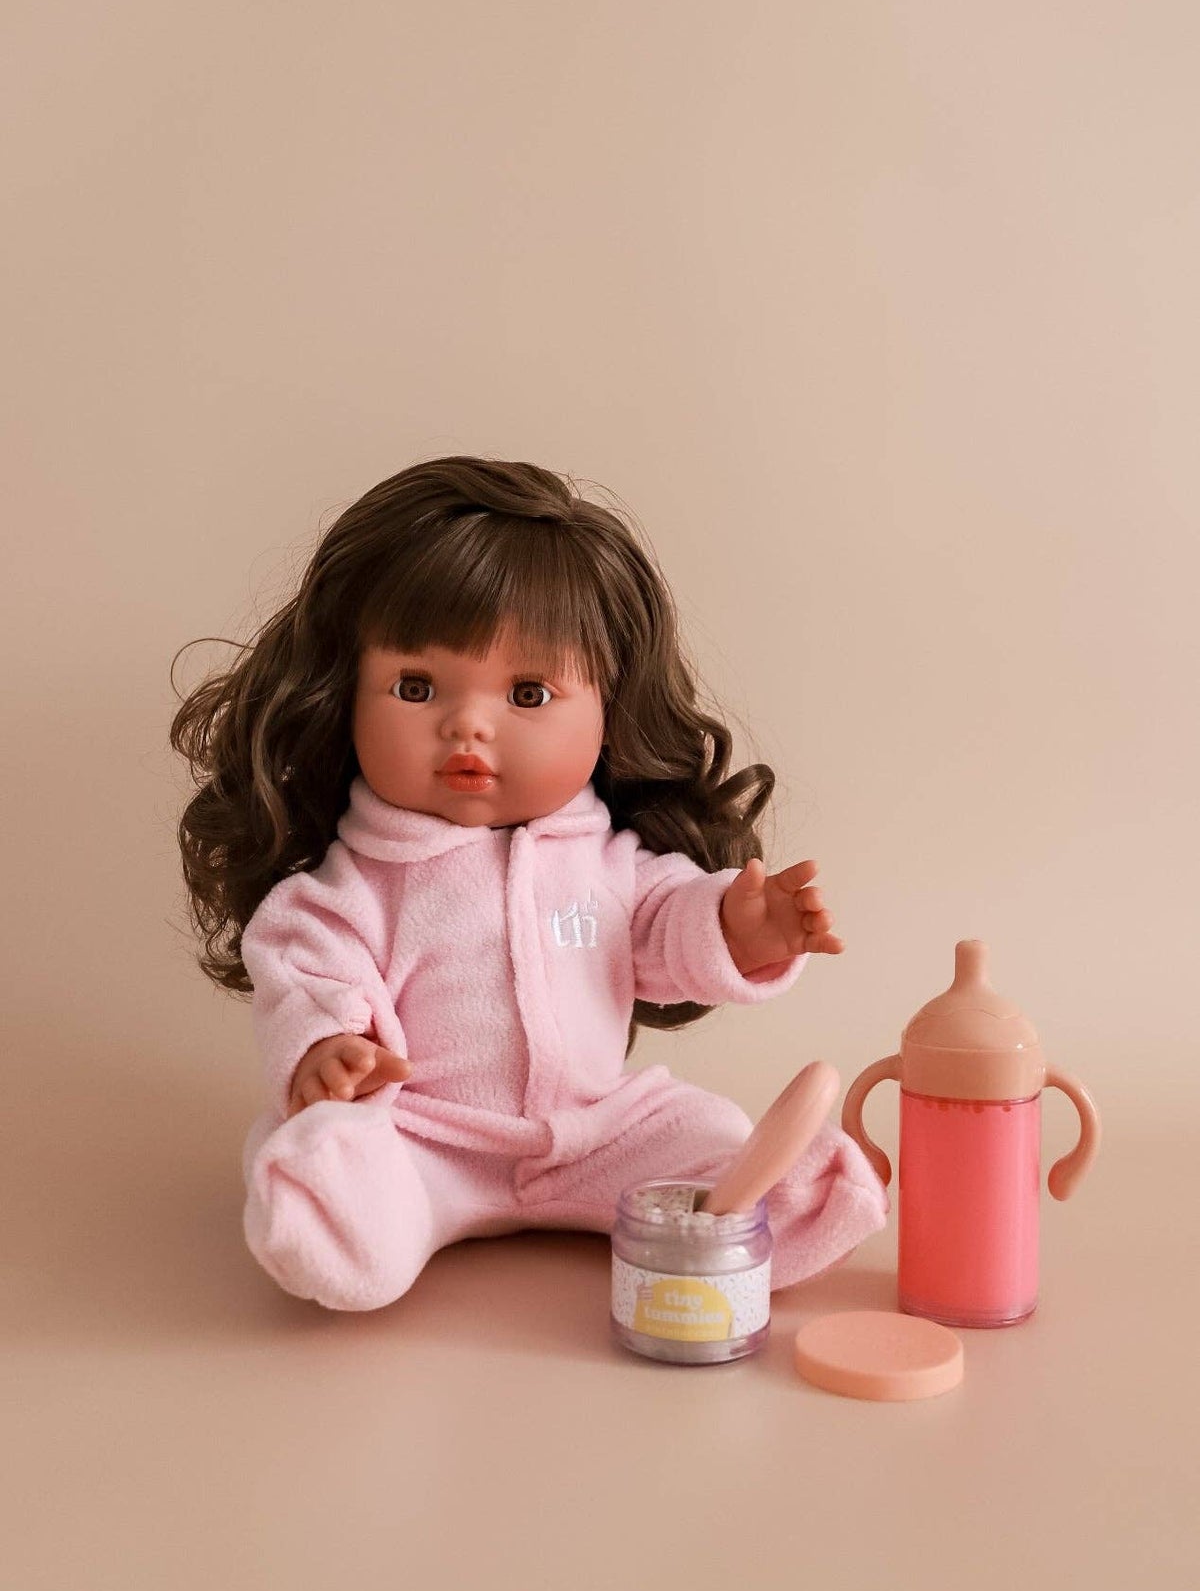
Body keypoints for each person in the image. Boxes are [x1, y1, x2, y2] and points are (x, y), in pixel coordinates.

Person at [170, 456, 887, 1311]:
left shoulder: (607, 869)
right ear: (344, 698)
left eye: (529, 693)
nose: (467, 724)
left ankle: (779, 1200)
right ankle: (333, 1201)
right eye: (415, 687)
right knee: (349, 1166)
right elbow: (308, 973)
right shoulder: (352, 891)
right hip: (425, 1138)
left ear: (609, 709)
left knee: (715, 1136)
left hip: (601, 1131)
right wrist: (329, 1051)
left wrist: (742, 929)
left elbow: (666, 927)